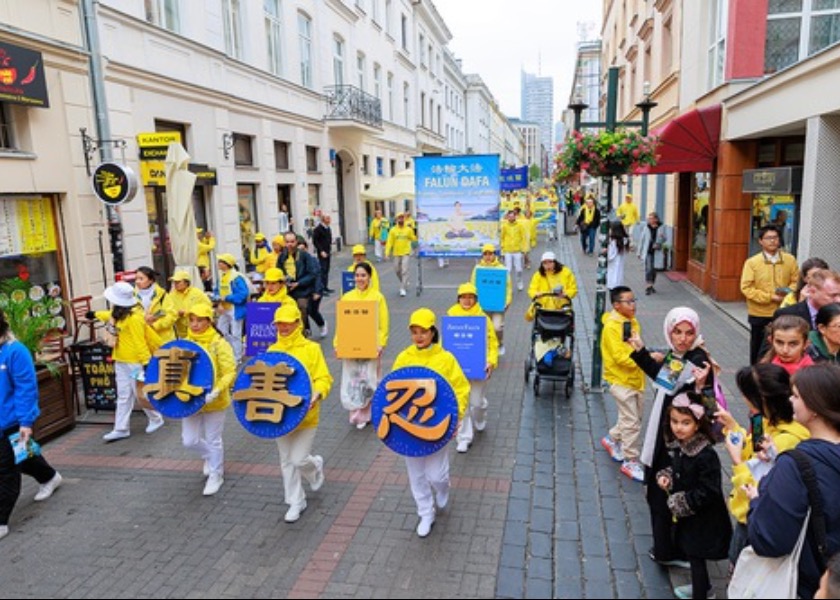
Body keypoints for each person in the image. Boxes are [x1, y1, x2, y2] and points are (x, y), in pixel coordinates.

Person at [627, 306, 715, 569]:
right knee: (660, 493)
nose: (683, 338)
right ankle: (670, 547)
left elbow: (669, 383)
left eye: (689, 332)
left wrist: (642, 353)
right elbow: (666, 379)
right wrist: (646, 353)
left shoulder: (697, 358)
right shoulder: (681, 355)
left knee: (661, 493)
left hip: (677, 441)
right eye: (677, 332)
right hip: (669, 435)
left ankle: (670, 550)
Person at [746, 363, 840, 600]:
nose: (790, 400)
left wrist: (757, 502)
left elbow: (769, 539)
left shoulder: (797, 463)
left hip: (808, 581)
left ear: (815, 406)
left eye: (796, 395)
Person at [715, 363, 809, 573]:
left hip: (754, 519)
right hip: (746, 515)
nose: (744, 400)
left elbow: (758, 489)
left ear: (761, 400)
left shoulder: (785, 441)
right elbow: (753, 452)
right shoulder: (767, 421)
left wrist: (737, 461)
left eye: (746, 394)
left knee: (742, 576)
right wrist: (733, 428)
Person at [391, 308, 470, 537]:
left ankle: (443, 487)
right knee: (416, 473)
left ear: (433, 332)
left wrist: (457, 417)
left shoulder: (445, 359)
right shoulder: (404, 358)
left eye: (423, 331)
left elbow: (461, 388)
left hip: (438, 425)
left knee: (435, 474)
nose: (419, 336)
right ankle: (426, 512)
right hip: (408, 426)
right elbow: (391, 390)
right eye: (414, 332)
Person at [655, 392, 732, 600]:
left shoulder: (705, 455)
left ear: (697, 424)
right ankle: (704, 587)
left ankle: (702, 593)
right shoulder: (682, 446)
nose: (678, 427)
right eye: (674, 421)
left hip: (704, 519)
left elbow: (709, 490)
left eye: (685, 423)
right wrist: (668, 477)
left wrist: (682, 502)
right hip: (691, 517)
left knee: (696, 558)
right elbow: (677, 469)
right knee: (692, 554)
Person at [0, 307, 63, 541]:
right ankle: (49, 477)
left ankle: (1, 521)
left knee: (5, 470)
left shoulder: (15, 352)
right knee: (23, 456)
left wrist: (26, 422)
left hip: (12, 420)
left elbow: (26, 388)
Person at [267, 303, 333, 523]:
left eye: (287, 322)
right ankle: (296, 501)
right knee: (286, 460)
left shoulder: (311, 349)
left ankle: (315, 466)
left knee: (299, 458)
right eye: (279, 323)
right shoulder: (272, 351)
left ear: (297, 322)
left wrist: (317, 394)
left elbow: (323, 378)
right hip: (279, 416)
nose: (283, 327)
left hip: (306, 415)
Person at [89, 281, 164, 441]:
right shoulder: (119, 314)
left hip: (135, 362)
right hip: (121, 360)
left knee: (139, 394)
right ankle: (121, 428)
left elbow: (140, 342)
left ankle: (156, 418)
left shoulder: (134, 318)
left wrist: (145, 362)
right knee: (124, 395)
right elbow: (107, 315)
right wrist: (94, 314)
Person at [182, 303, 236, 496]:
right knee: (189, 440)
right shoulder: (185, 343)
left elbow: (230, 372)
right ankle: (210, 457)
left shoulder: (219, 343)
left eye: (200, 320)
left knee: (214, 439)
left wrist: (217, 390)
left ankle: (216, 474)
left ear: (209, 321)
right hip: (189, 400)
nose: (195, 324)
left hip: (215, 401)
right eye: (192, 320)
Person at [600, 286, 646, 483]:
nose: (633, 305)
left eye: (634, 300)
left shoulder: (631, 321)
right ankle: (631, 459)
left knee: (633, 417)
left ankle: (612, 439)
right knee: (632, 421)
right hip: (620, 380)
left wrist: (643, 356)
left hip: (635, 378)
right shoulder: (612, 326)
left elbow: (634, 347)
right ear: (616, 305)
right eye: (628, 301)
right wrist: (646, 357)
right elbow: (620, 356)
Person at [334, 262, 389, 428]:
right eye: (357, 275)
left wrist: (380, 343)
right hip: (351, 346)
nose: (360, 278)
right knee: (353, 379)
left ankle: (371, 412)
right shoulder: (347, 297)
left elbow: (383, 323)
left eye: (363, 275)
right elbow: (341, 324)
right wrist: (338, 344)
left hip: (371, 346)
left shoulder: (378, 297)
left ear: (369, 277)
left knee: (370, 378)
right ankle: (357, 414)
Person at [447, 283, 498, 453]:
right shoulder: (451, 315)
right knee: (463, 403)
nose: (467, 300)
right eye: (463, 297)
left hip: (478, 368)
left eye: (471, 297)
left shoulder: (483, 318)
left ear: (475, 299)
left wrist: (491, 361)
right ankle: (464, 437)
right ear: (458, 298)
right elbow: (445, 343)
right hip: (458, 370)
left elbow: (492, 343)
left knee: (476, 402)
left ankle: (482, 411)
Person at [740, 224, 799, 364]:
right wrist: (770, 297)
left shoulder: (789, 260)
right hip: (759, 313)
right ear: (760, 241)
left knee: (781, 347)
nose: (772, 241)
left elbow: (796, 282)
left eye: (775, 237)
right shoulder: (752, 263)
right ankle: (755, 375)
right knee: (758, 348)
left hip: (784, 311)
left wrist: (787, 294)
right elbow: (746, 288)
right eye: (768, 238)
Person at [471, 243, 512, 356]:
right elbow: (473, 285)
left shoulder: (502, 269)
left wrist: (507, 301)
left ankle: (500, 343)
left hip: (498, 305)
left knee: (497, 327)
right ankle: (487, 348)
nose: (488, 256)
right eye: (485, 254)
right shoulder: (477, 269)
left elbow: (508, 287)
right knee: (484, 328)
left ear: (495, 255)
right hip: (482, 305)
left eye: (490, 254)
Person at [275, 231, 319, 335]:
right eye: (287, 242)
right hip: (287, 289)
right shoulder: (282, 256)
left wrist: (299, 283)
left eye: (292, 241)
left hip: (302, 289)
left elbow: (313, 274)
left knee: (301, 307)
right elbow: (278, 271)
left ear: (296, 242)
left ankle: (302, 332)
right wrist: (282, 280)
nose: (290, 244)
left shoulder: (304, 255)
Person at [214, 253, 249, 363]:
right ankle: (233, 349)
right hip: (224, 309)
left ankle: (237, 357)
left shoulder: (236, 277)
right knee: (221, 329)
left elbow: (244, 294)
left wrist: (227, 298)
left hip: (235, 309)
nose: (218, 264)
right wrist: (218, 302)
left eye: (221, 262)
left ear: (227, 264)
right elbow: (217, 291)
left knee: (236, 333)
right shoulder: (223, 276)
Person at [295, 237, 328, 339]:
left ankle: (321, 324)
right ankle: (307, 329)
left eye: (303, 249)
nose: (302, 252)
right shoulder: (294, 262)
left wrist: (317, 291)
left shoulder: (313, 260)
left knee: (312, 310)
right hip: (302, 290)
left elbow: (318, 276)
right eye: (299, 250)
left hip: (314, 289)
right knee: (302, 309)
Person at [134, 266, 177, 344]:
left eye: (141, 279)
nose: (137, 281)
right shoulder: (132, 297)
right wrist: (144, 318)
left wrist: (155, 325)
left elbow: (172, 315)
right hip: (145, 341)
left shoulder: (162, 295)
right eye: (136, 279)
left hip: (164, 340)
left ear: (151, 280)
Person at [167, 270, 212, 339]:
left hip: (199, 331)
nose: (176, 284)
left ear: (186, 282)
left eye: (178, 282)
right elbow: (168, 311)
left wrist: (188, 312)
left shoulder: (197, 293)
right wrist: (177, 314)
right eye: (174, 282)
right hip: (182, 333)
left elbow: (208, 307)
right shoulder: (171, 295)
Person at [384, 212, 417, 297]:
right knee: (397, 270)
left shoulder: (408, 229)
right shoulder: (393, 230)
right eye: (399, 218)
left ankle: (402, 288)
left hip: (406, 252)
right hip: (396, 253)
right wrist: (387, 253)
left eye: (402, 218)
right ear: (396, 219)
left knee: (404, 270)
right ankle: (404, 281)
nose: (401, 219)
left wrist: (417, 234)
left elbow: (413, 238)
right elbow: (389, 242)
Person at [637, 212, 667, 296]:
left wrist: (661, 239)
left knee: (654, 270)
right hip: (648, 251)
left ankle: (652, 284)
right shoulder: (646, 227)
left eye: (651, 218)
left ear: (656, 219)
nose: (649, 220)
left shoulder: (661, 227)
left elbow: (665, 238)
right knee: (649, 268)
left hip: (657, 251)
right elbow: (642, 240)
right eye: (649, 218)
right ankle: (648, 286)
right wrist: (639, 252)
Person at [500, 209, 527, 292]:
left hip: (517, 250)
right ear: (507, 217)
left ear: (515, 216)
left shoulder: (520, 226)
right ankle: (507, 285)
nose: (511, 218)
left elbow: (523, 238)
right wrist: (502, 249)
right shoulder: (504, 226)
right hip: (507, 250)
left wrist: (524, 249)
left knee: (518, 269)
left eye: (512, 216)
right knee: (508, 269)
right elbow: (502, 237)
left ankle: (519, 282)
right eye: (509, 216)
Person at [312, 215, 334, 294]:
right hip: (322, 252)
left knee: (327, 270)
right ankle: (320, 288)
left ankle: (325, 286)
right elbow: (315, 241)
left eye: (329, 218)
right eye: (327, 218)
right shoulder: (318, 229)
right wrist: (321, 251)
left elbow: (329, 238)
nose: (329, 220)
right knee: (322, 270)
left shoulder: (328, 228)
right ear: (323, 220)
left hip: (328, 251)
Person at [607, 220, 629, 290]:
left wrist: (605, 252)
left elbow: (610, 256)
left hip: (613, 265)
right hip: (620, 264)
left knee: (612, 283)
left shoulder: (613, 241)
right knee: (618, 280)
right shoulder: (624, 240)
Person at [196, 228, 216, 293]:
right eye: (199, 233)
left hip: (202, 265)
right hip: (202, 266)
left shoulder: (198, 242)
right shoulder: (198, 245)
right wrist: (211, 238)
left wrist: (207, 238)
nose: (201, 235)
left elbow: (204, 243)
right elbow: (210, 247)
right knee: (206, 283)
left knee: (207, 281)